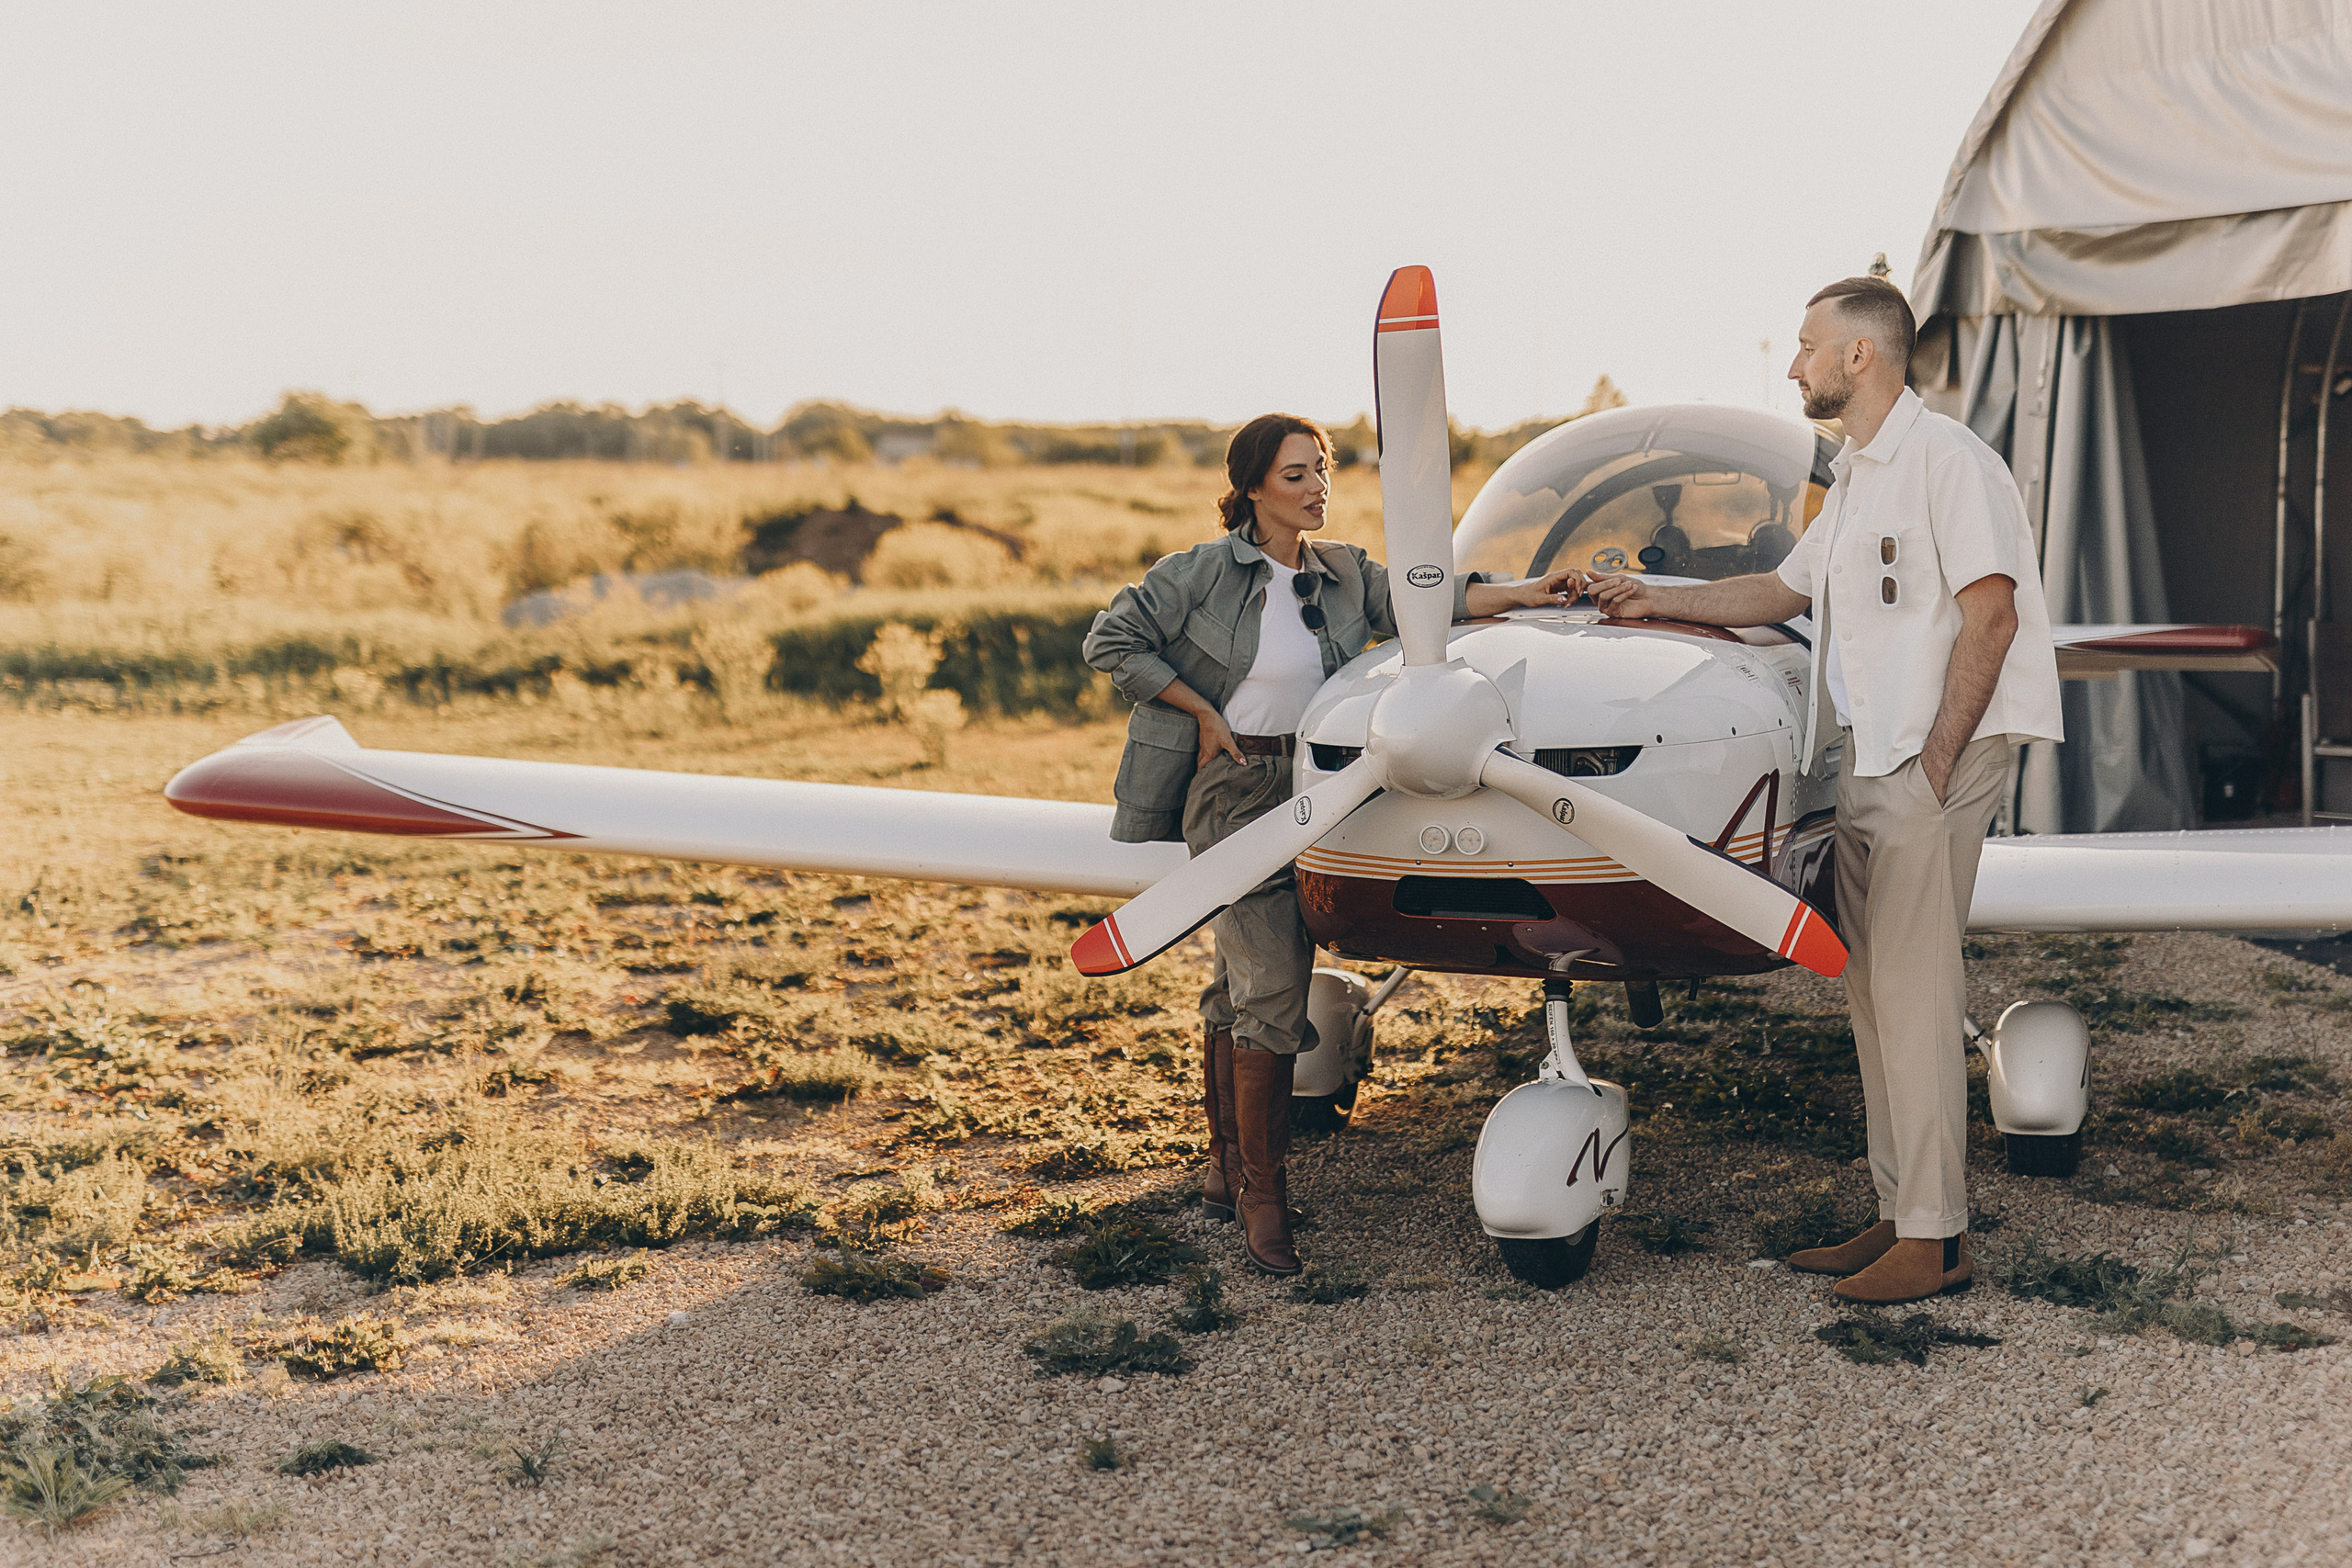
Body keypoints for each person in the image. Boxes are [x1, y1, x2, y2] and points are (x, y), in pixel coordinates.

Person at [1589, 277, 2063, 1304]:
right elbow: (1781, 591)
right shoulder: (1855, 477)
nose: (1793, 363)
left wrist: (1936, 758)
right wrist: (1655, 604)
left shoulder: (1950, 463)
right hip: (1872, 756)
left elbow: (1992, 617)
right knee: (1871, 995)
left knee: (1914, 993)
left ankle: (1936, 1243)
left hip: (1925, 762)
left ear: (1861, 356)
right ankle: (1901, 1214)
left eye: (1808, 346)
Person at [1083, 413, 1580, 1274]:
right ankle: (1261, 1197)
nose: (1317, 487)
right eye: (1295, 475)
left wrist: (1532, 593)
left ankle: (1221, 1166)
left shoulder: (1348, 573)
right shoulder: (1198, 574)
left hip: (1328, 787)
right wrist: (1198, 709)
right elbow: (1111, 639)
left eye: (1321, 470)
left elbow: (1442, 601)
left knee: (1240, 979)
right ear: (1249, 490)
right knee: (1274, 982)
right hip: (1238, 791)